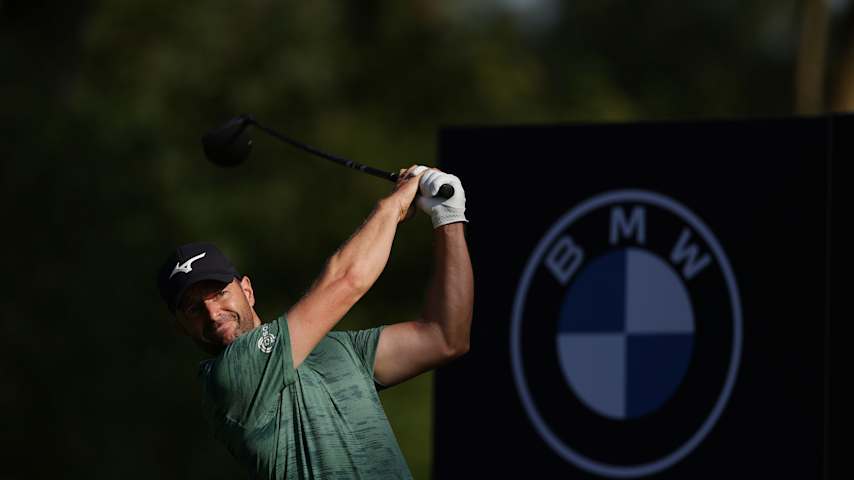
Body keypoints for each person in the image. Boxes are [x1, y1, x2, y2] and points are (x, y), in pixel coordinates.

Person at [156, 165, 473, 479]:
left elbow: (445, 337)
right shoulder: (228, 378)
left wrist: (449, 218)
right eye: (194, 309)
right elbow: (347, 281)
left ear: (247, 290)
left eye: (220, 294)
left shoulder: (335, 348)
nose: (213, 314)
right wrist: (395, 203)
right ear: (180, 326)